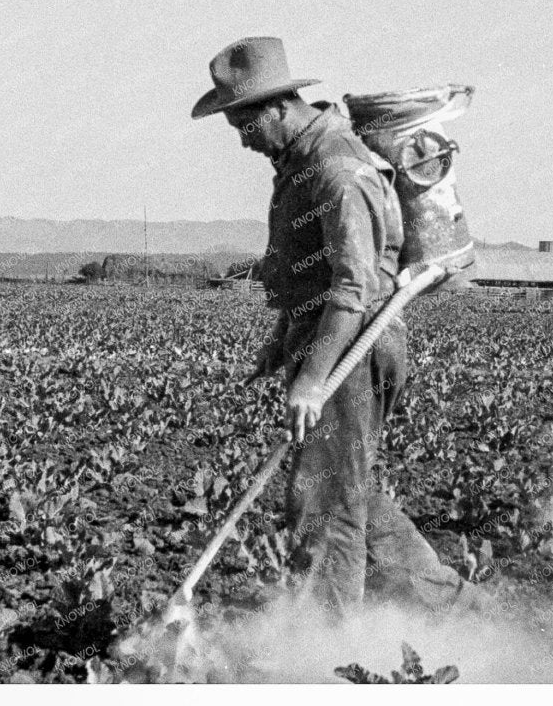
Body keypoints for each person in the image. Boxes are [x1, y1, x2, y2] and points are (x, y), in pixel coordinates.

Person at [193, 36, 476, 616]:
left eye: (244, 127)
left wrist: (311, 379)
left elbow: (353, 289)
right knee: (352, 494)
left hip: (355, 349)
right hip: (331, 341)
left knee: (322, 503)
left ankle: (324, 651)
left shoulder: (336, 168)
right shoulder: (298, 160)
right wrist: (282, 342)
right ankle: (456, 610)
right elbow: (313, 277)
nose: (244, 142)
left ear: (276, 108)